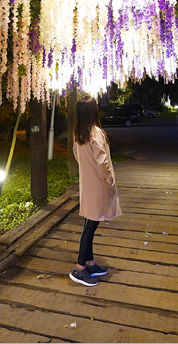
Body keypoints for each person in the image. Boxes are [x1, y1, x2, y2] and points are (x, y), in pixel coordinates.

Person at [69, 95, 121, 286]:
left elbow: (77, 156)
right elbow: (102, 161)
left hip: (88, 184)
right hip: (98, 185)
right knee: (90, 226)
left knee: (90, 223)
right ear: (93, 112)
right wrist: (109, 179)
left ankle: (89, 263)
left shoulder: (79, 133)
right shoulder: (95, 132)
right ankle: (79, 268)